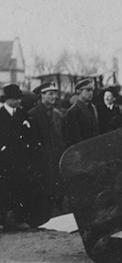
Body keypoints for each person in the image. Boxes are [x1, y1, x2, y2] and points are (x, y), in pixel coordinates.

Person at [0, 84, 44, 229]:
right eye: (15, 98)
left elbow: (30, 135)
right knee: (3, 190)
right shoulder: (1, 115)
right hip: (4, 160)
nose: (18, 101)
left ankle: (19, 219)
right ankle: (2, 220)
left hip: (20, 160)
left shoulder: (23, 114)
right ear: (7, 99)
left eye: (19, 98)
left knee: (20, 188)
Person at [28, 82, 66, 215]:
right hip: (42, 159)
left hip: (56, 156)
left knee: (57, 186)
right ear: (42, 95)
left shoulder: (58, 114)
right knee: (44, 187)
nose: (54, 96)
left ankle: (56, 210)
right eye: (50, 94)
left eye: (55, 93)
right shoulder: (33, 114)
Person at [64, 79, 100, 146]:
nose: (91, 93)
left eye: (92, 90)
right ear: (79, 91)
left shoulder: (93, 108)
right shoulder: (73, 111)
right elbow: (74, 138)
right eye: (88, 90)